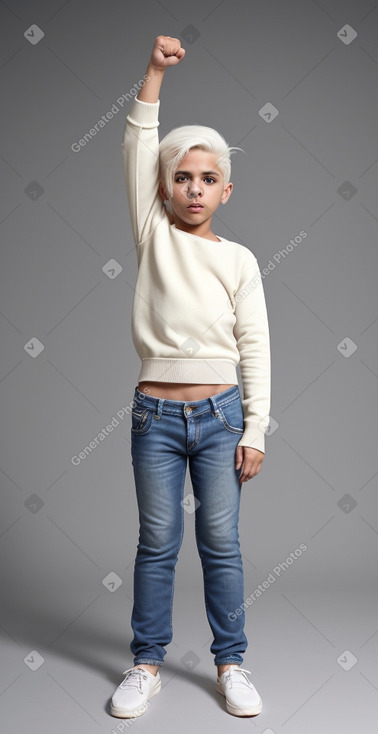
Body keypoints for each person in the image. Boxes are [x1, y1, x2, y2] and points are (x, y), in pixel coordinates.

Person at [110, 35, 271, 719]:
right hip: (153, 416)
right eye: (181, 176)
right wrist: (153, 73)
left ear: (226, 189)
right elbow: (138, 140)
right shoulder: (152, 231)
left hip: (220, 416)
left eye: (207, 179)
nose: (194, 188)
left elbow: (255, 343)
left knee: (221, 542)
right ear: (162, 187)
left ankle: (230, 662)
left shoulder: (238, 260)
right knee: (156, 540)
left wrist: (255, 426)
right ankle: (145, 663)